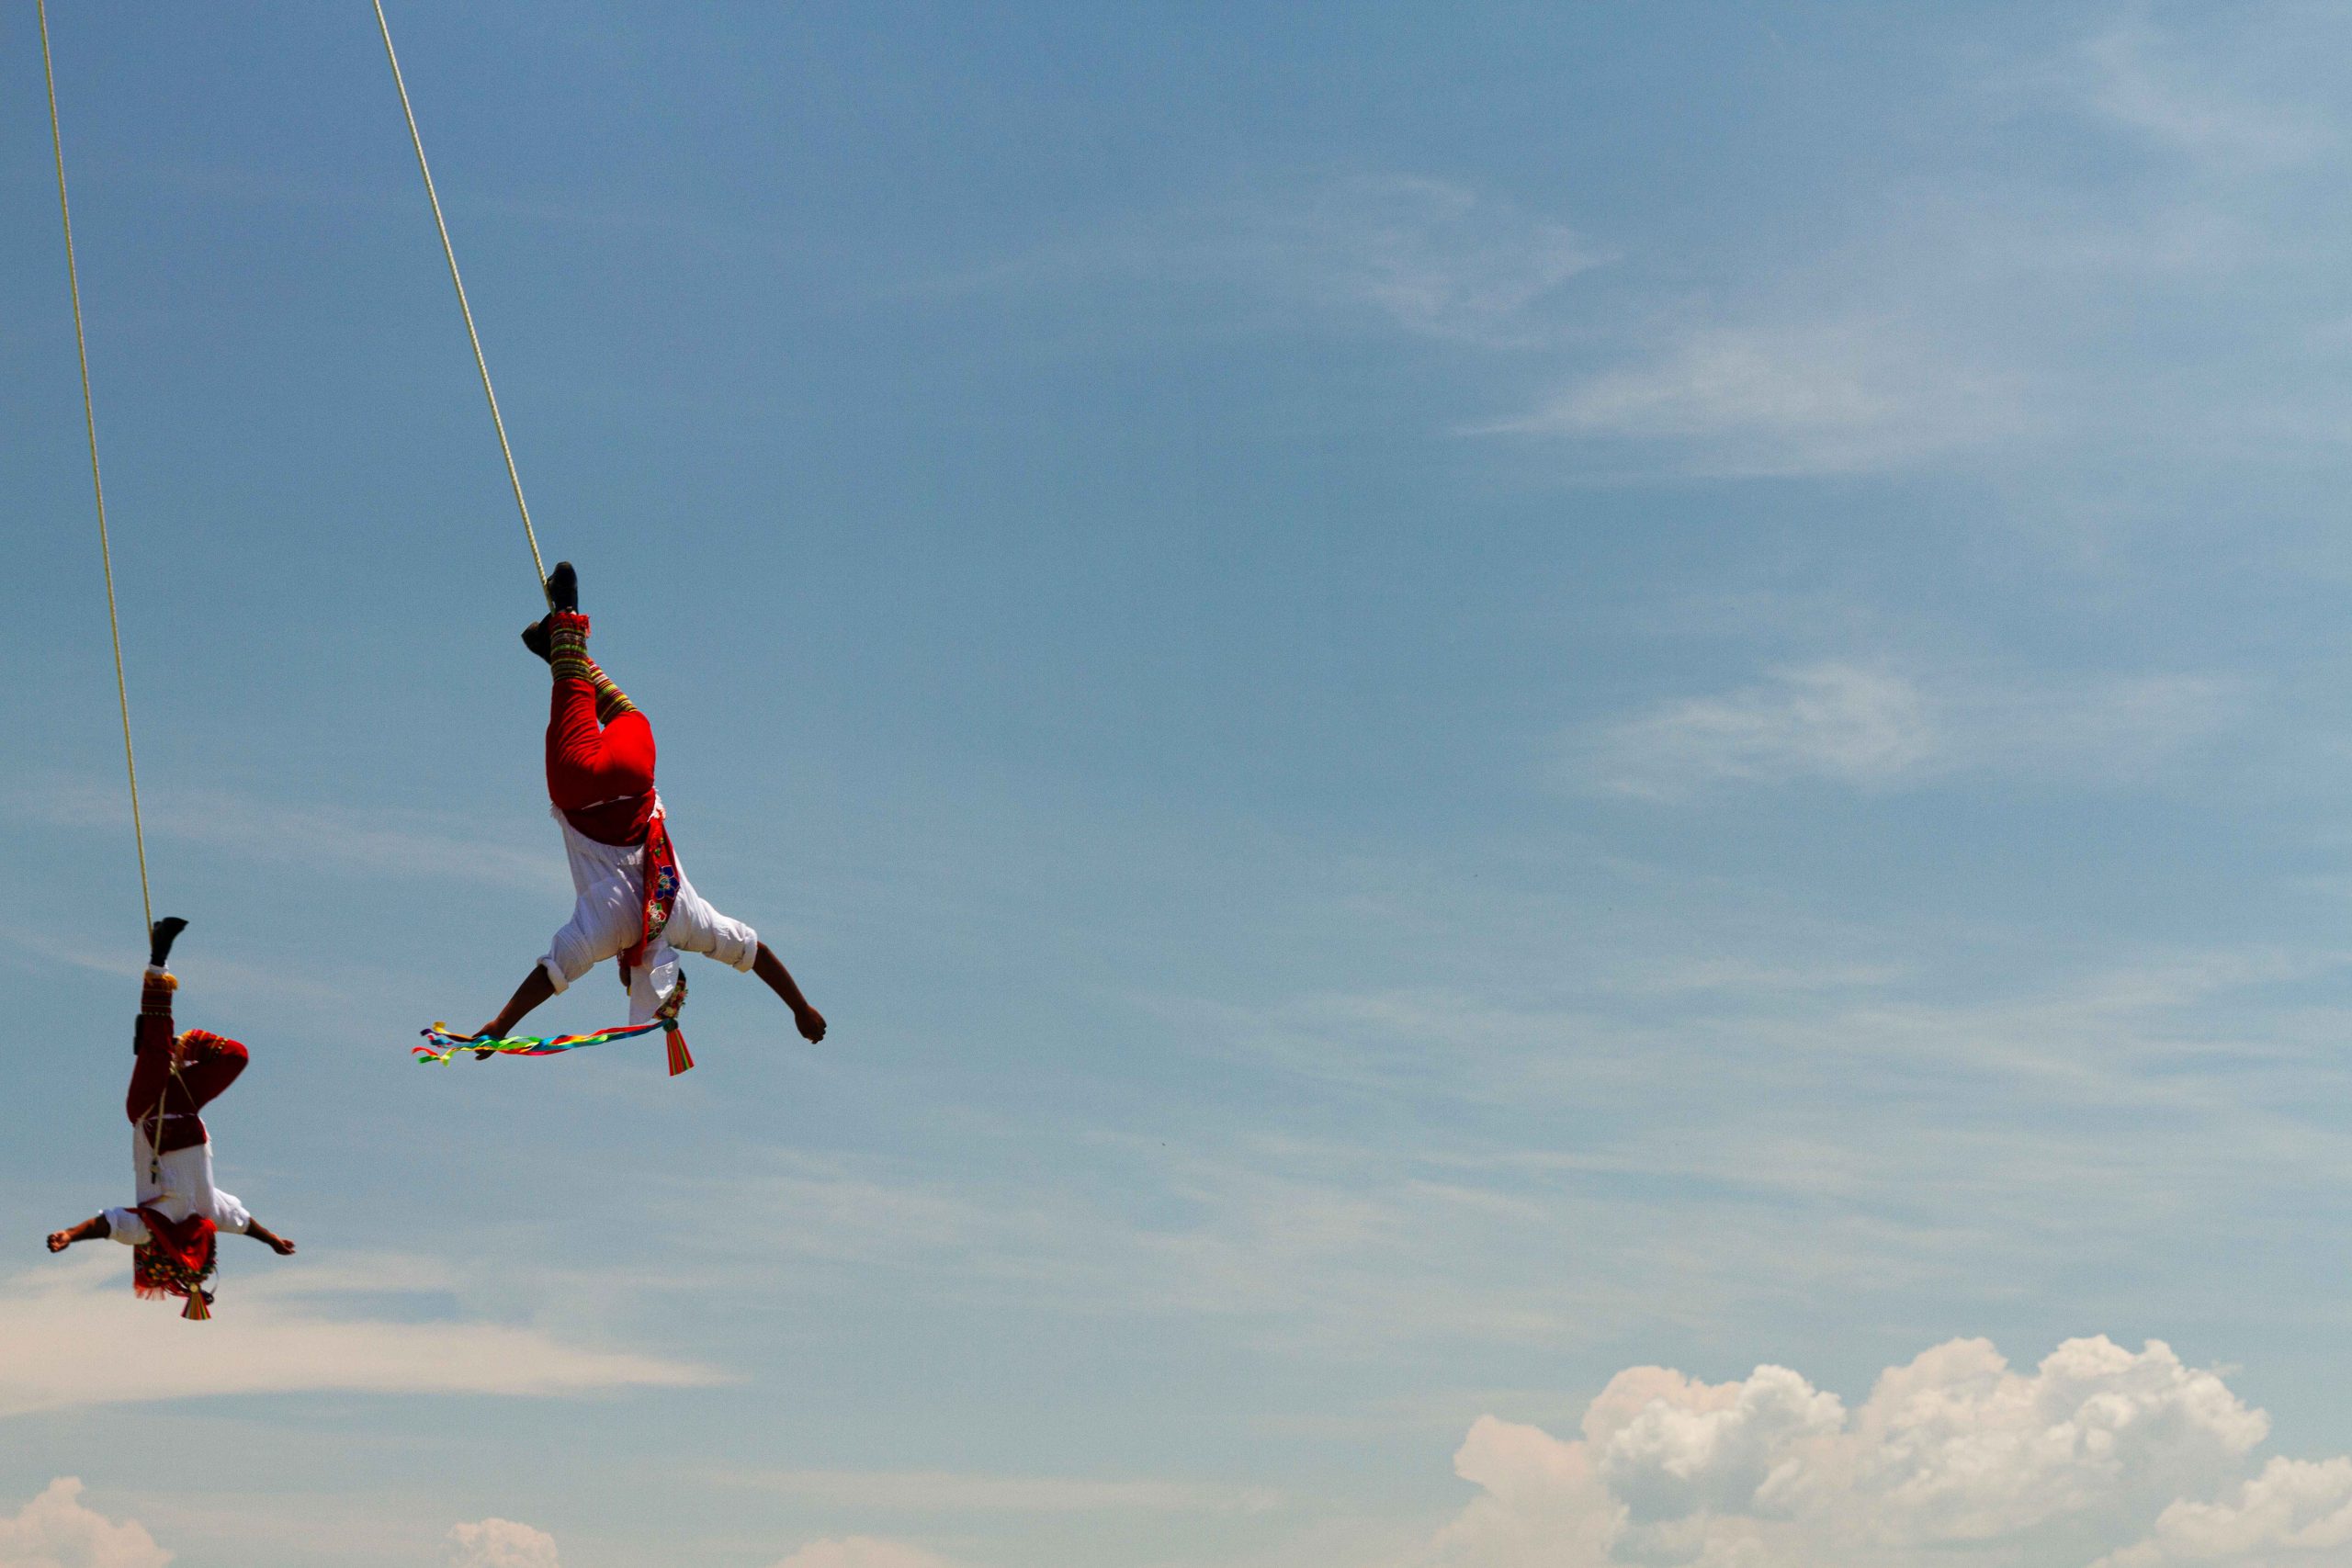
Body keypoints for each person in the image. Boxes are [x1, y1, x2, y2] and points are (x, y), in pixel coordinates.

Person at [466, 561, 826, 1051]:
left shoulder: (689, 921)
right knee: (569, 693)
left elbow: (754, 952)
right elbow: (550, 974)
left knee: (628, 714)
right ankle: (566, 631)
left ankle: (570, 655)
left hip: (635, 774)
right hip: (582, 785)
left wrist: (801, 1008)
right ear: (629, 971)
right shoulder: (605, 932)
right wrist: (501, 1025)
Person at [46, 919, 296, 1318]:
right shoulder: (212, 1213)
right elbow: (245, 1223)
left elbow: (108, 1224)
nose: (204, 1243)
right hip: (185, 1105)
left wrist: (68, 1235)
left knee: (157, 1046)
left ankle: (158, 961)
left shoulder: (152, 1225)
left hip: (150, 1112)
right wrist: (274, 1241)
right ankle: (172, 1045)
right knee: (236, 1056)